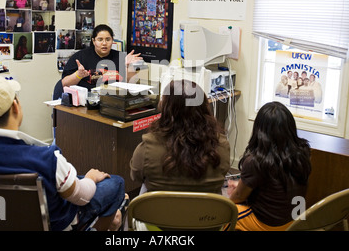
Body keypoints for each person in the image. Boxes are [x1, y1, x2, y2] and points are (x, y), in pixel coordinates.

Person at [0, 74, 127, 231]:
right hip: (55, 223)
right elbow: (82, 197)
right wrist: (91, 178)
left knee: (70, 179)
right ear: (16, 107)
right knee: (115, 182)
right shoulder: (48, 158)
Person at [129, 79, 230, 194]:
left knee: (145, 189)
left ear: (166, 110)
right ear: (204, 108)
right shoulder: (221, 145)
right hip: (207, 211)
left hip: (160, 210)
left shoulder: (147, 147)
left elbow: (135, 176)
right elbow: (223, 174)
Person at [227, 101, 311, 231]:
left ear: (259, 130)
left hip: (270, 225)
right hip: (295, 221)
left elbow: (238, 197)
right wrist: (242, 184)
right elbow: (275, 185)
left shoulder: (256, 161)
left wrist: (233, 195)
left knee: (228, 213)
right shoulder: (302, 153)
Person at [62, 24, 142, 90]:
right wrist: (78, 75)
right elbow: (64, 83)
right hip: (88, 102)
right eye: (100, 40)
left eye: (108, 39)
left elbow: (133, 84)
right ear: (94, 41)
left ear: (112, 40)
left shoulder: (121, 57)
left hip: (114, 100)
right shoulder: (80, 57)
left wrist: (127, 66)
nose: (104, 43)